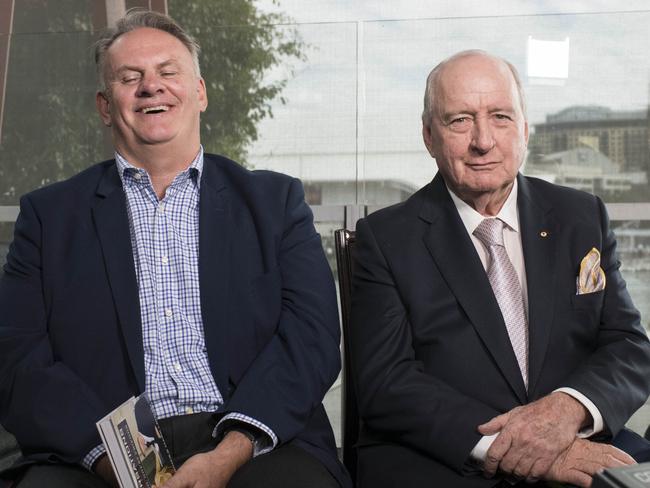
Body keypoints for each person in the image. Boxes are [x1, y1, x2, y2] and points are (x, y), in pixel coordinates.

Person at [0, 9, 350, 488]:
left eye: (168, 72)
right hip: (97, 451)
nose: (151, 87)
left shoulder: (275, 203)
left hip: (252, 439)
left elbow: (310, 339)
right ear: (105, 106)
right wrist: (122, 464)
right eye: (131, 78)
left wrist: (229, 453)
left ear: (200, 92)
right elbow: (18, 358)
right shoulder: (48, 217)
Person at [348, 49, 650, 487]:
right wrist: (522, 448)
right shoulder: (386, 238)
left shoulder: (581, 217)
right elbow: (386, 382)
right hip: (447, 459)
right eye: (460, 120)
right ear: (429, 136)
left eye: (501, 117)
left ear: (525, 130)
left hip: (580, 441)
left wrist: (567, 411)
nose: (483, 140)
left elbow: (627, 346)